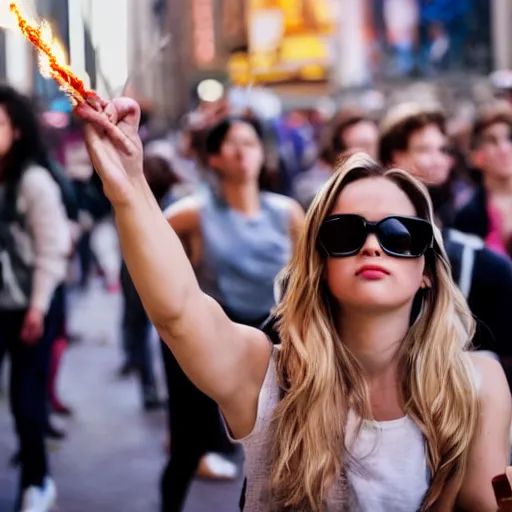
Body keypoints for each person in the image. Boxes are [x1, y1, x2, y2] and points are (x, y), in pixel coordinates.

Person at [76, 97, 511, 512]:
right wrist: (129, 183)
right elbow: (179, 313)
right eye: (345, 233)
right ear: (319, 263)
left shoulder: (478, 383)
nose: (374, 246)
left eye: (400, 236)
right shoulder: (266, 378)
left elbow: (482, 501)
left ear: (428, 270)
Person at [162, 116, 304, 509]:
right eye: (232, 143)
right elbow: (149, 263)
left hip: (272, 340)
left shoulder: (287, 212)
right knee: (188, 443)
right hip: (209, 338)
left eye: (250, 142)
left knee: (273, 450)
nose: (243, 151)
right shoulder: (191, 212)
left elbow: (310, 277)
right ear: (214, 158)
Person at [379, 103, 512, 381]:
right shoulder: (382, 221)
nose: (438, 159)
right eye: (424, 150)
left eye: (442, 150)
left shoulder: (448, 212)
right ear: (395, 155)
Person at [0, 86, 71, 511]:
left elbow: (53, 248)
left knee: (27, 403)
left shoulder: (34, 180)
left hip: (30, 309)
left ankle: (37, 481)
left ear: (18, 130)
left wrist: (38, 307)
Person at [120, 154, 180, 410]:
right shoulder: (176, 206)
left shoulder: (129, 202)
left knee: (138, 327)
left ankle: (147, 386)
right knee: (167, 333)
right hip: (166, 273)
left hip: (133, 271)